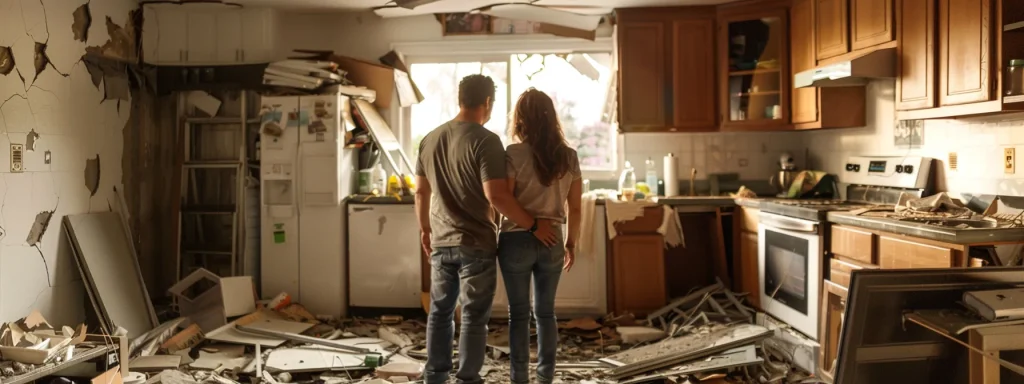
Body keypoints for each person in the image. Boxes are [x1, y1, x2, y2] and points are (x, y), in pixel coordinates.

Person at [414, 75, 558, 384]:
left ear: (460, 99)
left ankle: (435, 376)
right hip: (475, 242)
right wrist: (533, 225)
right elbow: (497, 196)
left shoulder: (430, 139)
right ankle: (468, 378)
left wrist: (424, 229)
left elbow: (421, 193)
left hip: (439, 240)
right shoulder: (485, 140)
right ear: (488, 103)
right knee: (473, 315)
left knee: (440, 312)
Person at [497, 88, 583, 384]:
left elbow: (505, 198)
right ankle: (546, 377)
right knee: (545, 313)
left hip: (515, 240)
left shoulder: (513, 153)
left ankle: (519, 378)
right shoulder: (569, 156)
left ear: (521, 120)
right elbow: (575, 206)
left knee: (518, 314)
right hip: (553, 240)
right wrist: (571, 243)